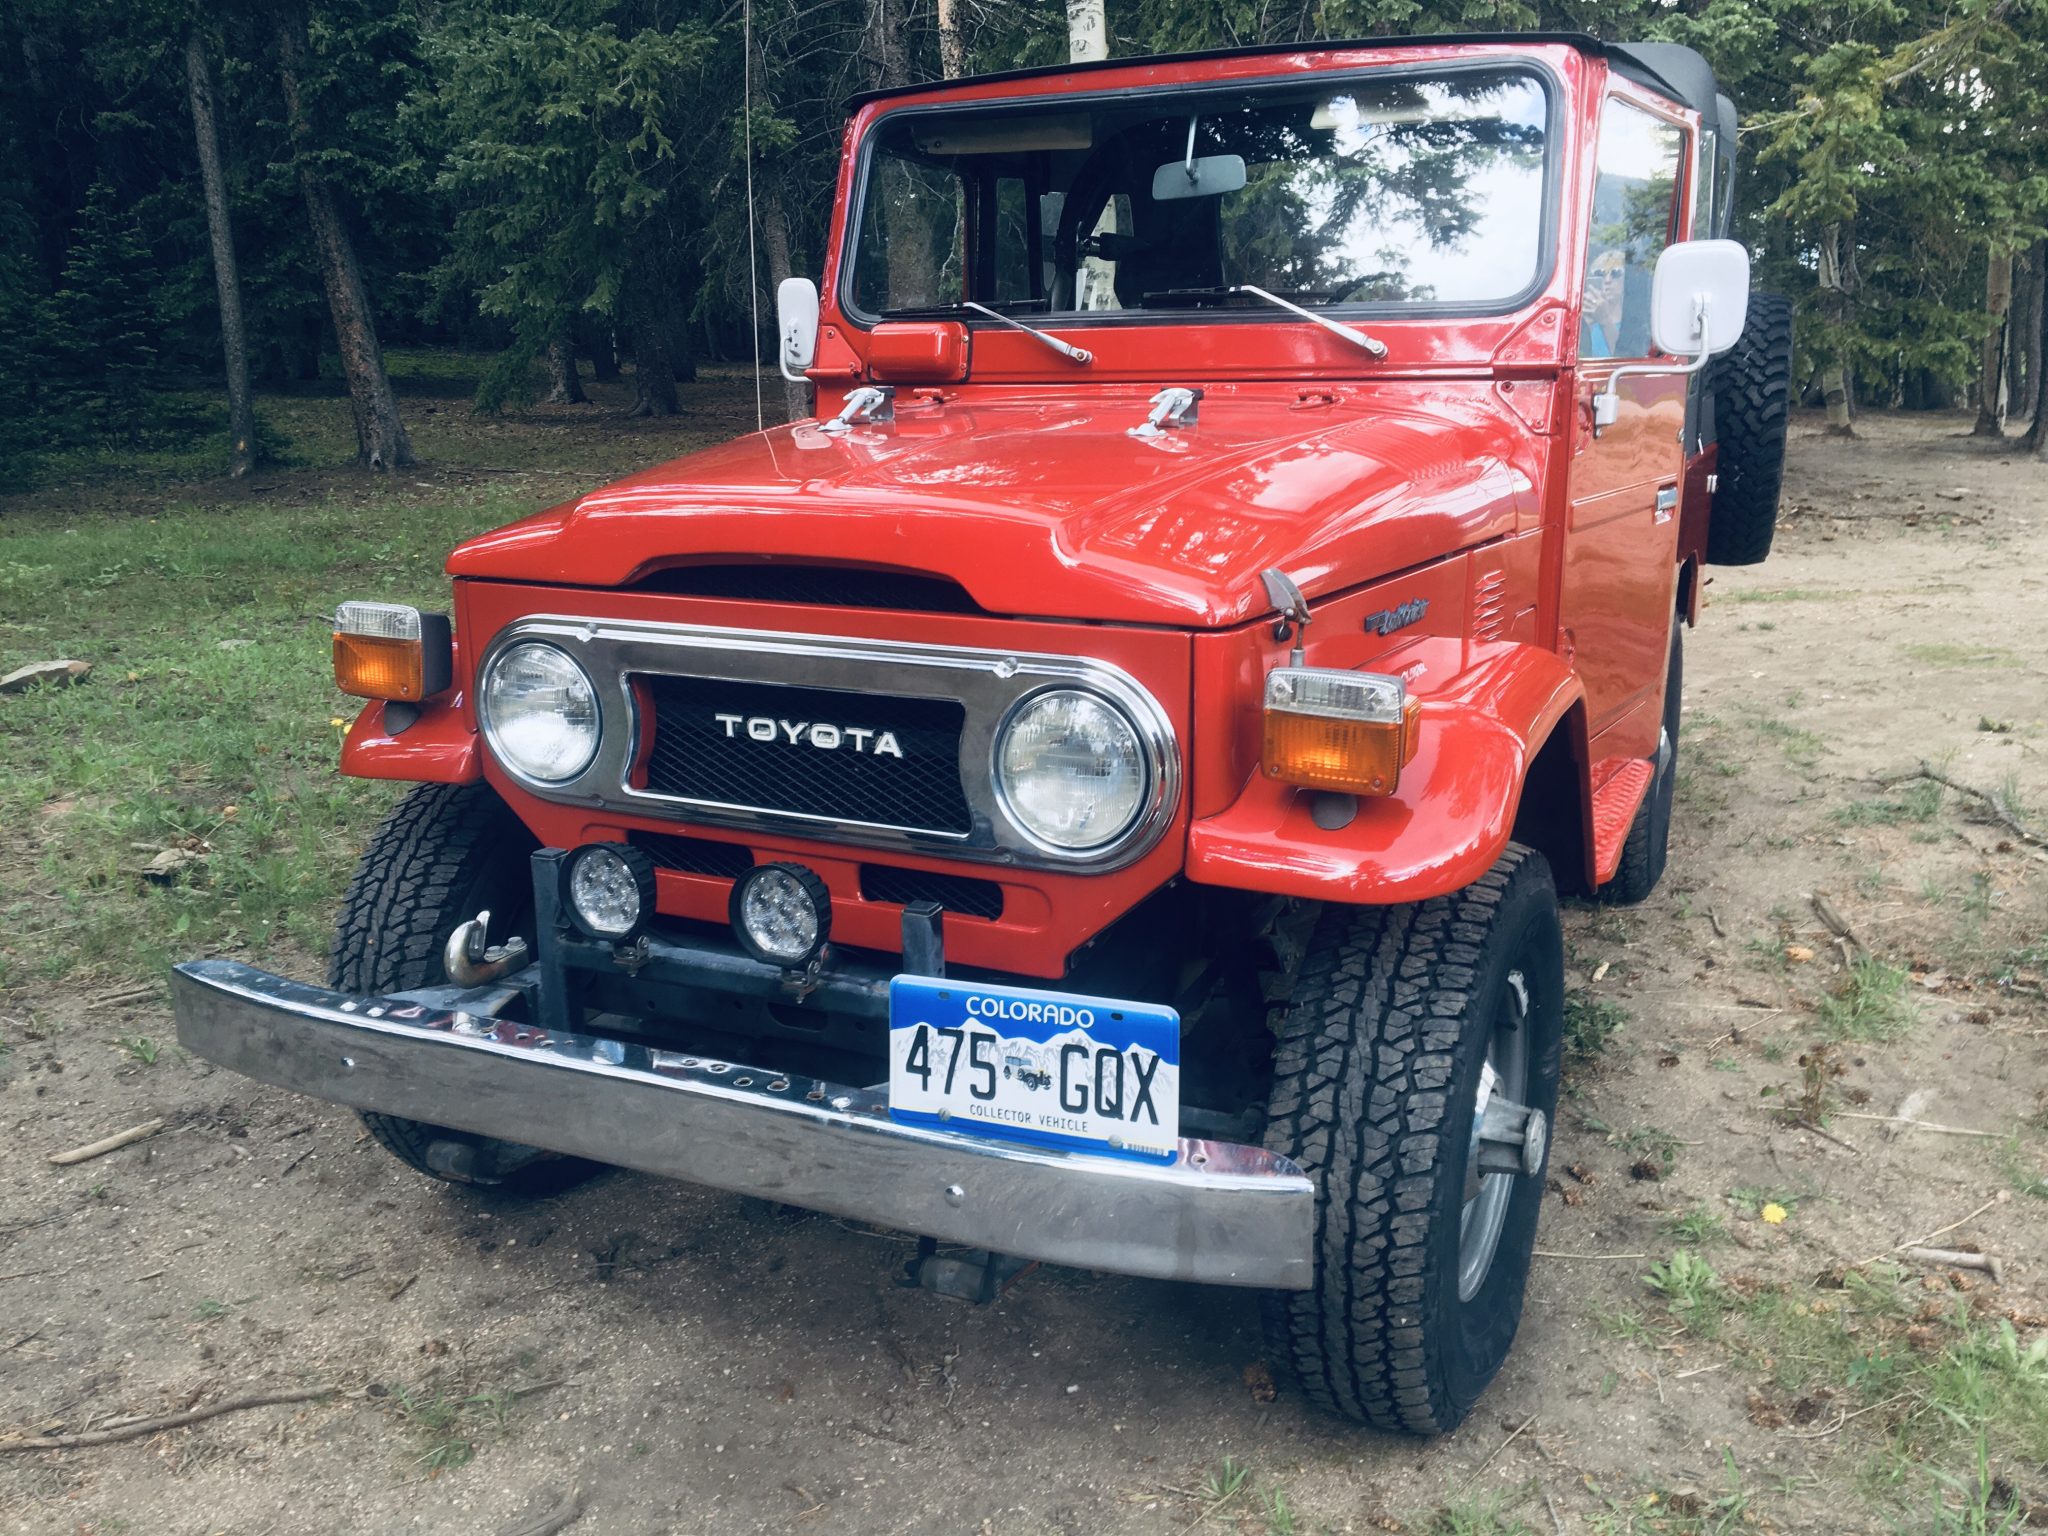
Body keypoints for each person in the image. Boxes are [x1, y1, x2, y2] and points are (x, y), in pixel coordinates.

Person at [1582, 248, 1628, 358]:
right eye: (1600, 274)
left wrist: (1604, 319)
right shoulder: (1584, 318)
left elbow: (1624, 358)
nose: (1607, 280)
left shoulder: (1633, 324)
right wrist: (1584, 325)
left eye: (1615, 273)